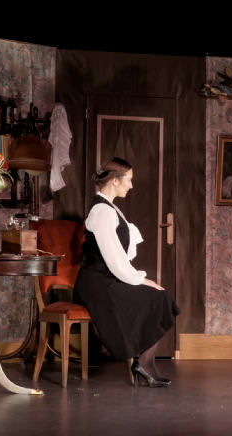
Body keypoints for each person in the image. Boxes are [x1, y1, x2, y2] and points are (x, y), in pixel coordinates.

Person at [73, 158, 180, 387]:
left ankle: (145, 363)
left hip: (106, 278)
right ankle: (144, 364)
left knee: (159, 297)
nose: (131, 186)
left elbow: (119, 257)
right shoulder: (102, 211)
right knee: (158, 299)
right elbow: (113, 259)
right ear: (114, 180)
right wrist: (140, 280)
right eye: (128, 180)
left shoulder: (110, 208)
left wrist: (141, 280)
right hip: (97, 284)